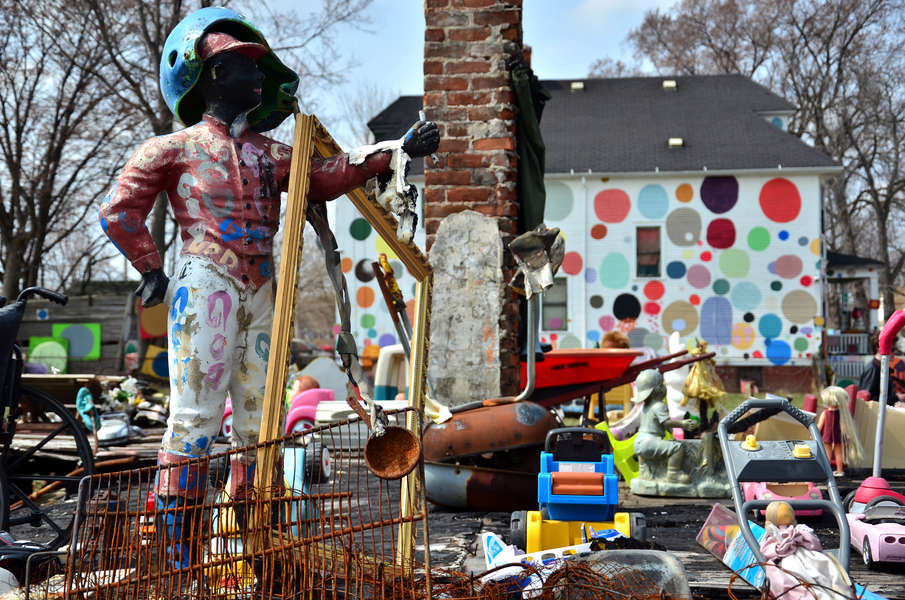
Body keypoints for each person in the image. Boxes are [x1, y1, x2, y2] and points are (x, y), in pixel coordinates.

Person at [98, 6, 438, 568]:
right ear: (212, 75)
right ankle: (180, 559)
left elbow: (327, 176)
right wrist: (151, 266)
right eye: (244, 64)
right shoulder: (173, 148)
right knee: (195, 414)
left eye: (259, 65)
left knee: (261, 420)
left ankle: (256, 551)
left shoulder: (274, 154)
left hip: (262, 287)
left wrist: (396, 151)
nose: (258, 74)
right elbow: (118, 211)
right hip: (205, 281)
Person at [633, 369, 700, 483]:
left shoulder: (646, 406)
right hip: (649, 442)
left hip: (639, 441)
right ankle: (673, 473)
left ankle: (645, 472)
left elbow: (659, 423)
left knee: (665, 446)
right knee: (677, 448)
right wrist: (682, 424)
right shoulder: (659, 405)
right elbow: (666, 422)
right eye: (662, 385)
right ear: (658, 390)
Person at [816, 386, 863, 477]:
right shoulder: (841, 414)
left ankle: (828, 471)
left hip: (828, 436)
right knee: (838, 454)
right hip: (837, 436)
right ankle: (839, 471)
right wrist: (847, 435)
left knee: (828, 454)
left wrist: (814, 433)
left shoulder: (825, 413)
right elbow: (844, 426)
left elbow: (819, 426)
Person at [857, 330, 905, 405]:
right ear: (880, 348)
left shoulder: (880, 367)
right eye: (892, 349)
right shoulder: (873, 369)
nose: (895, 352)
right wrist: (897, 398)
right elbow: (868, 401)